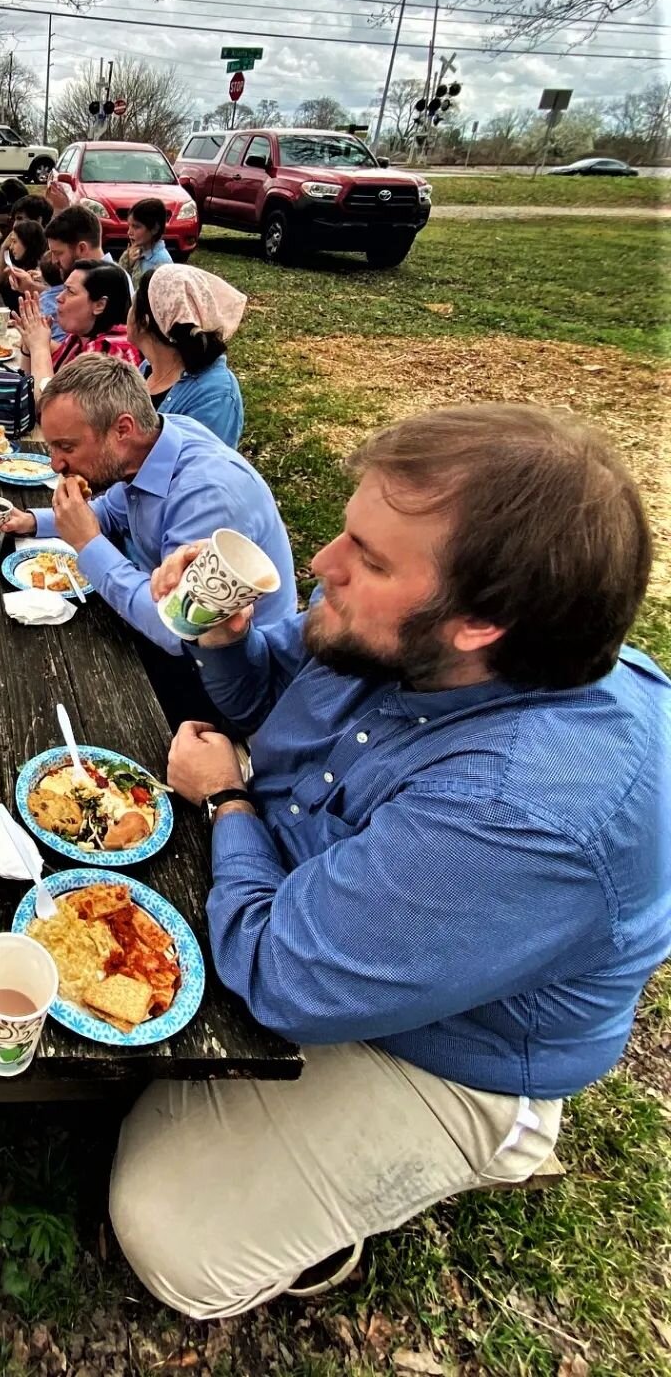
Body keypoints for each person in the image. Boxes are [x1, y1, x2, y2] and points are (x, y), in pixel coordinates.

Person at [112, 405, 671, 1321]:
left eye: (369, 560)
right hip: (329, 884)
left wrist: (227, 802)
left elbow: (283, 973)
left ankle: (496, 1141)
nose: (323, 562)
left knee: (168, 1230)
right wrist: (220, 636)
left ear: (480, 624)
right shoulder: (401, 632)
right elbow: (267, 691)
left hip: (455, 1044)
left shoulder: (519, 810)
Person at [0, 355, 296, 724]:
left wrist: (88, 544)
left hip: (225, 686)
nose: (55, 464)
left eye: (67, 447)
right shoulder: (155, 443)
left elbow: (176, 625)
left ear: (123, 429)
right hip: (169, 638)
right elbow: (111, 511)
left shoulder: (207, 494)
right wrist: (31, 521)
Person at [128, 264, 247, 448]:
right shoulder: (147, 369)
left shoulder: (215, 395)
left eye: (132, 304)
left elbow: (201, 469)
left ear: (145, 321)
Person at [18, 260, 138, 395]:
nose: (59, 297)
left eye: (70, 291)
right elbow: (25, 393)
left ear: (99, 305)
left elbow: (50, 408)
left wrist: (39, 347)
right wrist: (29, 342)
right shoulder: (79, 337)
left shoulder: (109, 352)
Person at [0, 218, 48, 310]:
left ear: (27, 242)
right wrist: (3, 247)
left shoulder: (40, 272)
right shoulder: (18, 264)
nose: (11, 247)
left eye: (14, 241)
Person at [118, 198, 174, 287]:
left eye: (136, 227)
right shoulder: (137, 253)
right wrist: (128, 263)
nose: (129, 232)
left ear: (155, 229)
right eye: (129, 226)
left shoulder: (161, 262)